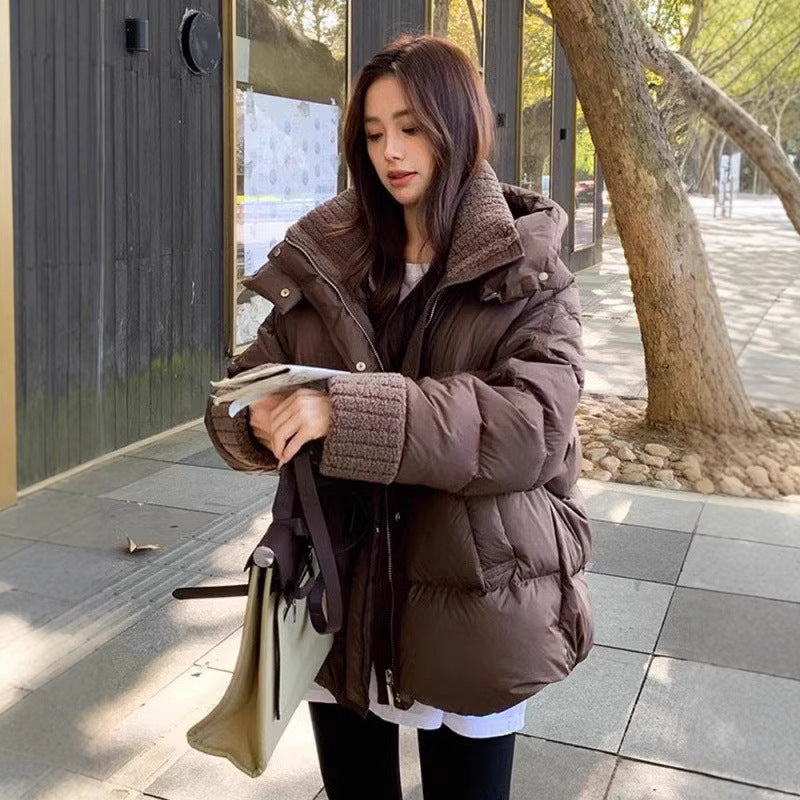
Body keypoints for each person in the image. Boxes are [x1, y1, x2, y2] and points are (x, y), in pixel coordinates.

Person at [206, 34, 593, 800]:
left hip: (475, 594)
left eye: (412, 127)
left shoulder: (527, 267)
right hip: (343, 589)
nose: (391, 151)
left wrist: (343, 414)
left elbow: (529, 429)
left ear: (459, 126)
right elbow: (244, 384)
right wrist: (253, 421)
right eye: (375, 132)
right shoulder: (328, 255)